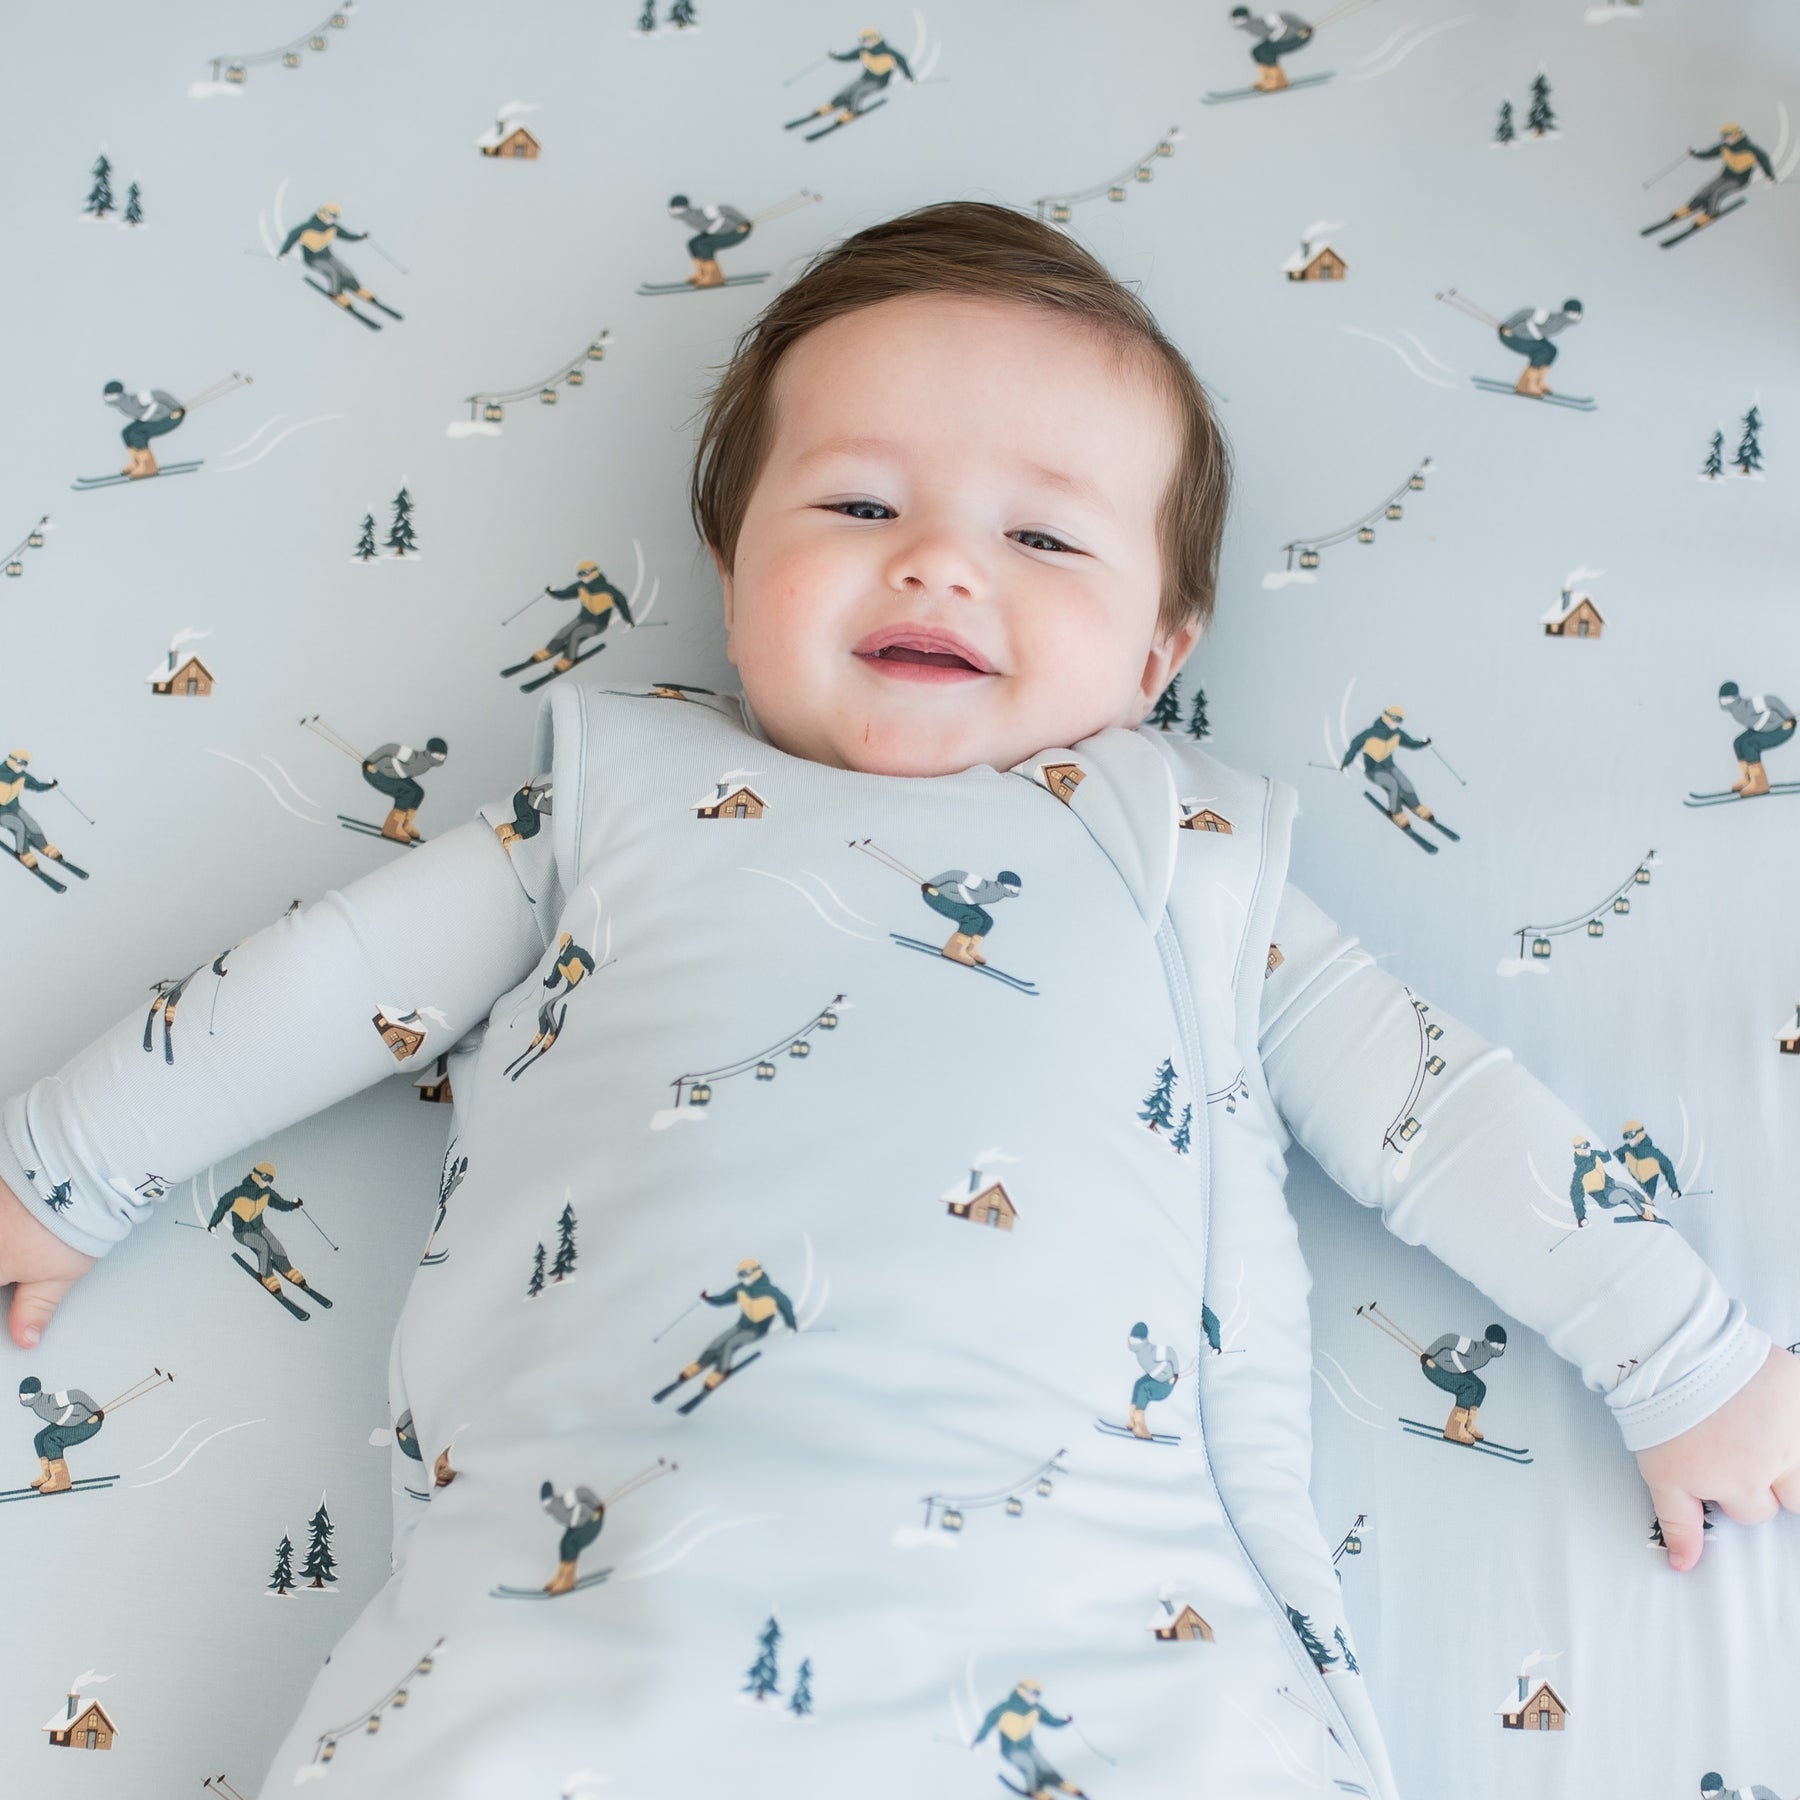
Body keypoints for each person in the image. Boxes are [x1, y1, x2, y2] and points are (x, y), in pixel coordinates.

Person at [1, 200, 1795, 1799]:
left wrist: (1681, 1361)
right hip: (583, 1619)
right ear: (732, 568)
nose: (940, 562)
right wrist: (62, 1169)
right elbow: (322, 984)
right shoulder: (608, 803)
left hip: (1106, 1629)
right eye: (859, 505)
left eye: (1047, 539)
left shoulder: (1185, 853)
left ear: (1164, 653)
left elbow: (1440, 1108)